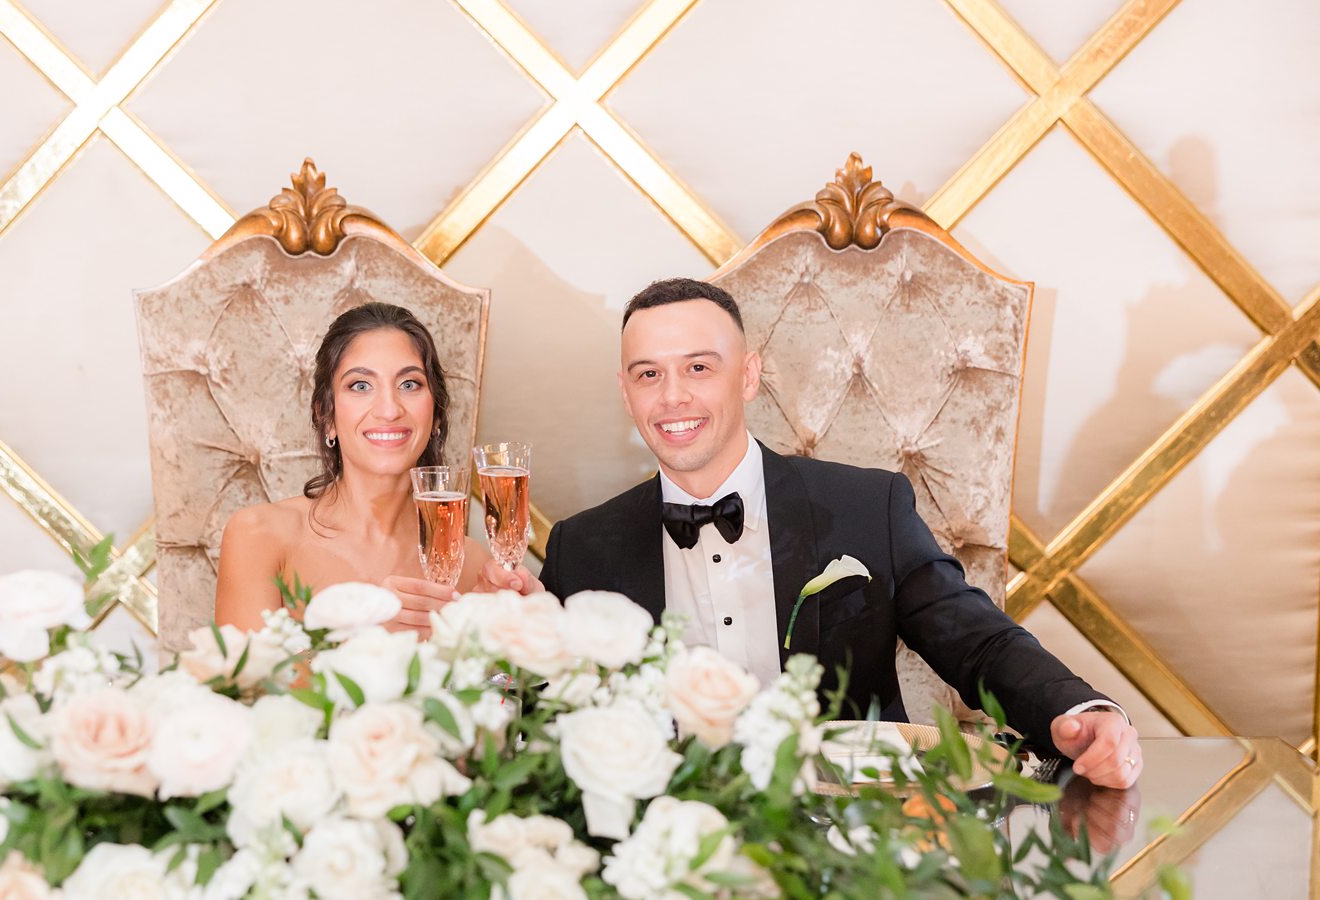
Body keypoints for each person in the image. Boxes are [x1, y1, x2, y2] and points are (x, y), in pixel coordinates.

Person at [485, 278, 1141, 789]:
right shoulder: (583, 546)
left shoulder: (866, 507)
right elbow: (561, 737)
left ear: (747, 375)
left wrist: (1086, 713)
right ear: (627, 394)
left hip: (854, 841)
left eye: (699, 367)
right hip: (668, 861)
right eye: (648, 373)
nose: (672, 397)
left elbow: (979, 645)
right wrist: (532, 655)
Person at [214, 301, 491, 635]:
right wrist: (368, 635)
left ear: (435, 415)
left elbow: (502, 685)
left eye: (409, 384)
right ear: (326, 416)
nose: (389, 410)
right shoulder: (259, 536)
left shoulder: (472, 565)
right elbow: (245, 686)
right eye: (360, 386)